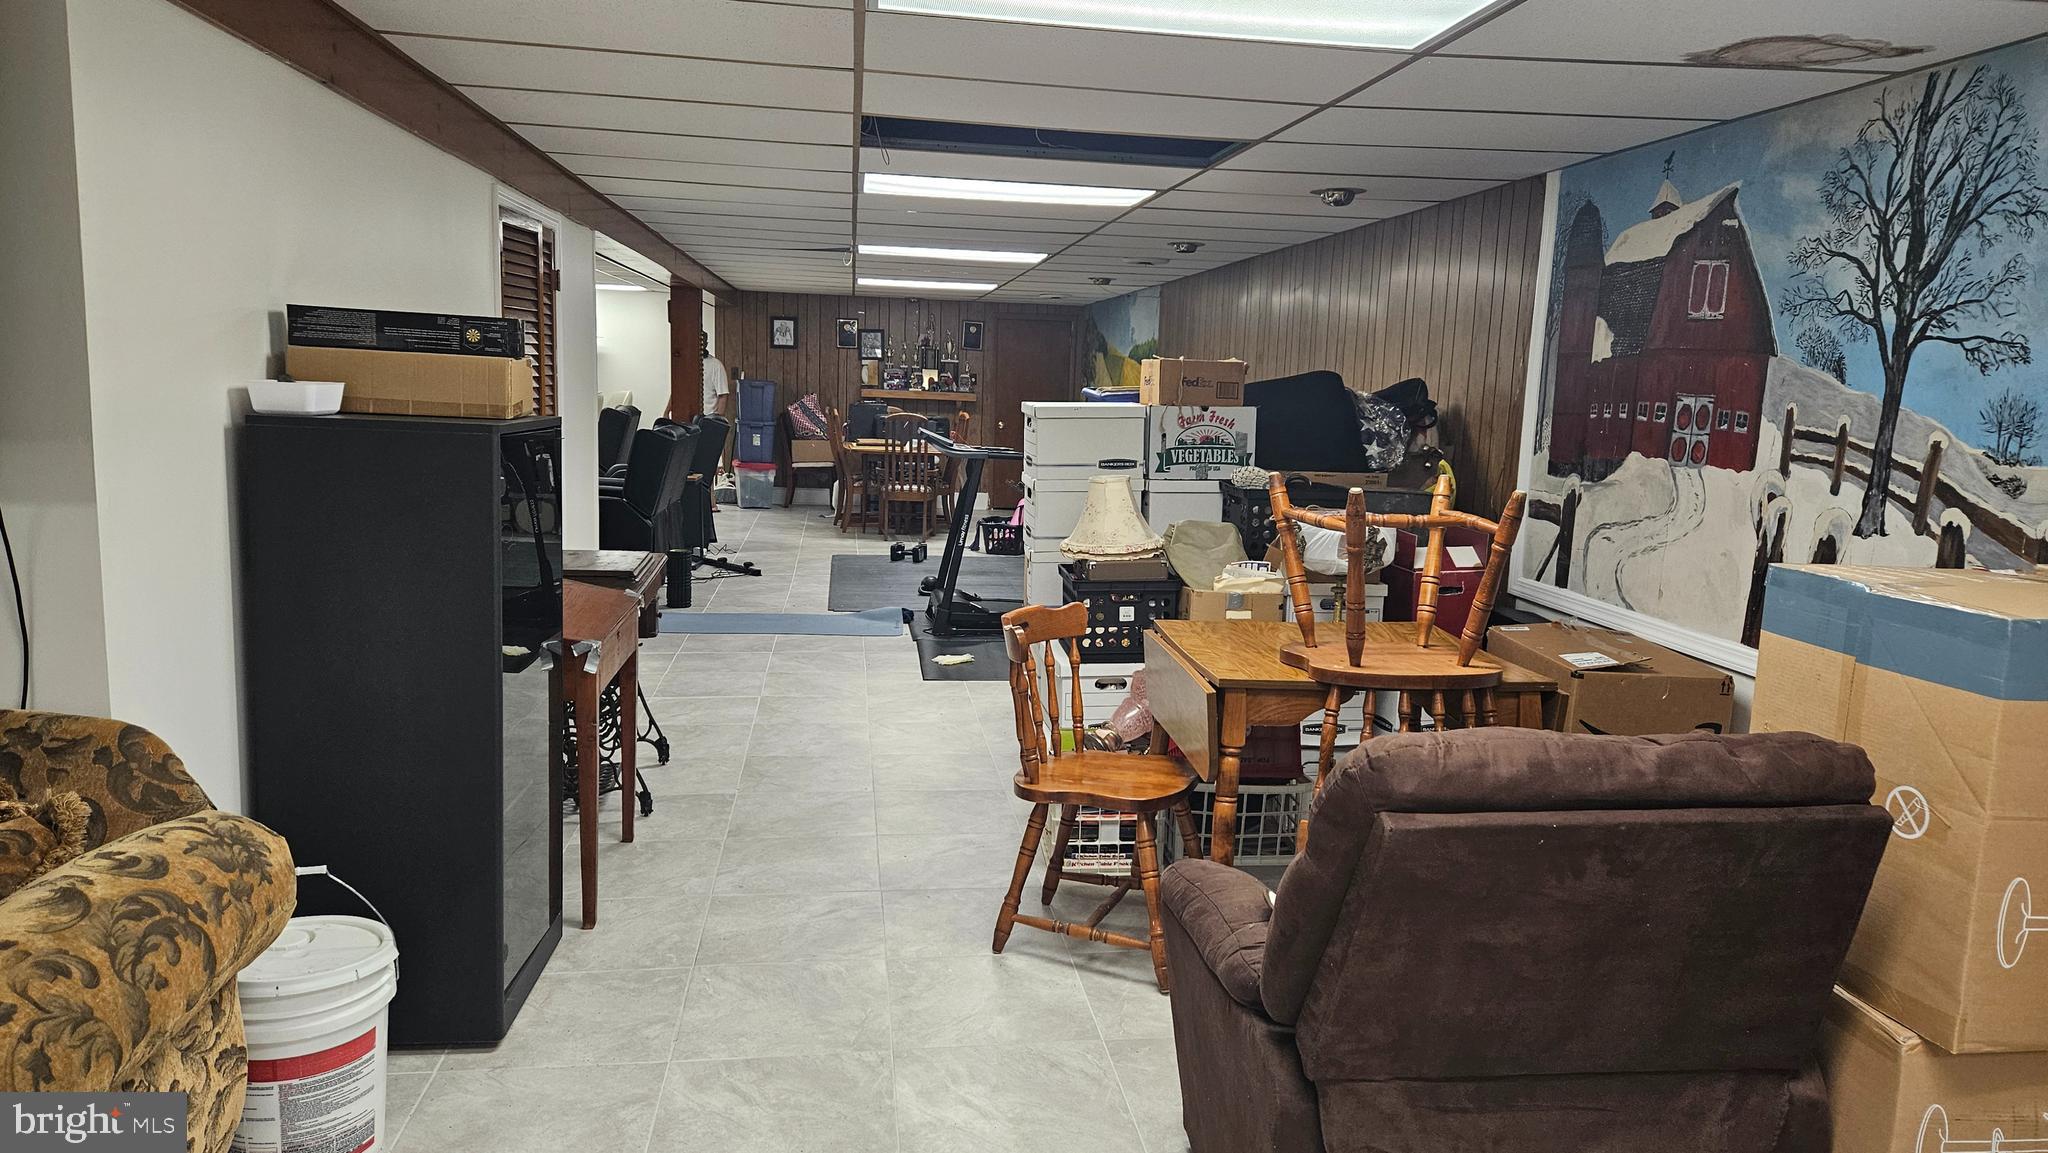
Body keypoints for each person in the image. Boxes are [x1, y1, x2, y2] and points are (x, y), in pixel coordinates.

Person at [701, 334, 733, 483]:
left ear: (706, 342)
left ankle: (711, 502)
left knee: (708, 464)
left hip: (708, 419)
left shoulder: (715, 365)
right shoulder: (685, 363)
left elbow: (723, 395)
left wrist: (717, 422)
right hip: (689, 420)